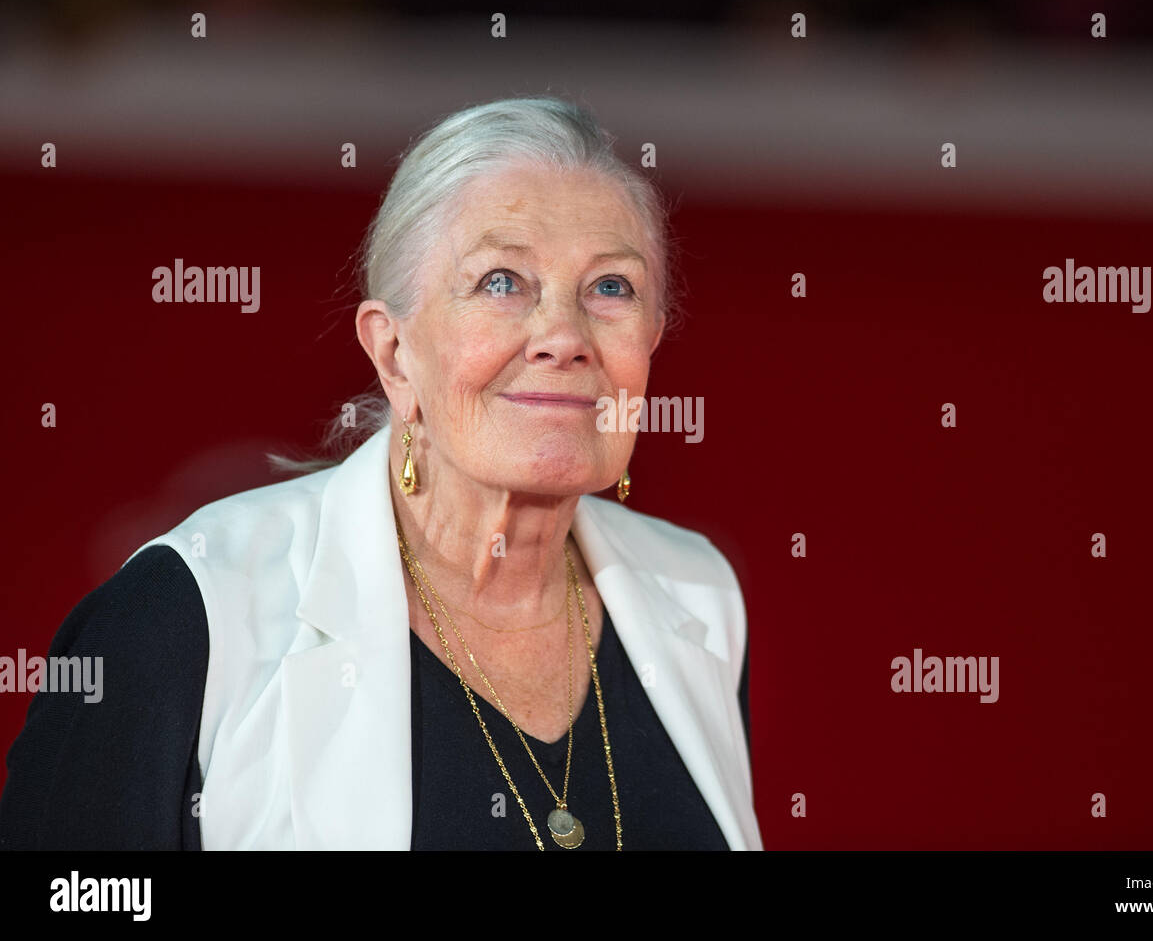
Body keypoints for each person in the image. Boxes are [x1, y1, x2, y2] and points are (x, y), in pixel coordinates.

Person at [0, 96, 760, 851]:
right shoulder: (186, 613)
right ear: (394, 351)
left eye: (611, 288)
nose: (564, 336)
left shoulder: (698, 595)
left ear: (650, 344)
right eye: (501, 281)